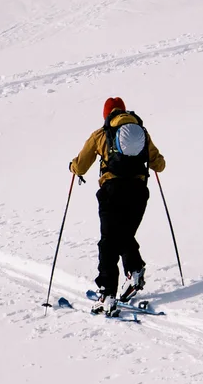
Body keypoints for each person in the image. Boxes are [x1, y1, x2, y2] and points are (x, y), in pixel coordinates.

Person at [69, 97, 166, 310]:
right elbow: (159, 164)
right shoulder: (141, 133)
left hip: (112, 191)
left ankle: (107, 293)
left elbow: (81, 166)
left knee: (109, 241)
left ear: (106, 114)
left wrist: (73, 168)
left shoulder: (100, 134)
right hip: (139, 192)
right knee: (123, 235)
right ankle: (135, 270)